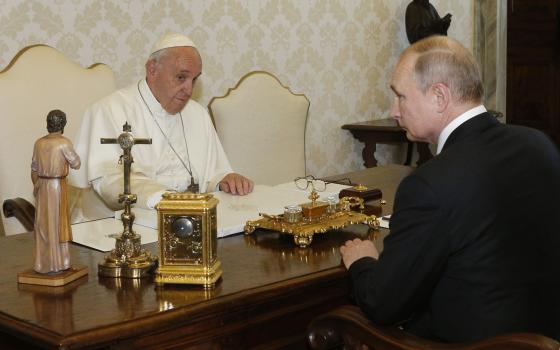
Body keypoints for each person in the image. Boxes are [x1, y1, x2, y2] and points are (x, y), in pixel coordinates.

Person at [340, 36, 560, 343]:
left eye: (401, 96)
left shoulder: (429, 183)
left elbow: (383, 304)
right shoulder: (539, 144)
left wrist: (363, 261)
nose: (394, 110)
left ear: (439, 97)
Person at [74, 33, 253, 210]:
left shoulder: (197, 113)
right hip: (131, 224)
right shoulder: (109, 110)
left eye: (195, 79)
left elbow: (213, 173)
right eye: (181, 77)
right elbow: (110, 180)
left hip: (192, 219)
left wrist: (224, 181)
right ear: (152, 70)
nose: (189, 89)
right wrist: (167, 199)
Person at [32, 110, 81, 273]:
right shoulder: (63, 143)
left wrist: (37, 184)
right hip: (56, 186)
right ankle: (59, 263)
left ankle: (44, 264)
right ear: (63, 124)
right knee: (56, 224)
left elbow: (34, 167)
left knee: (44, 225)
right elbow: (76, 163)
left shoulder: (39, 143)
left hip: (42, 185)